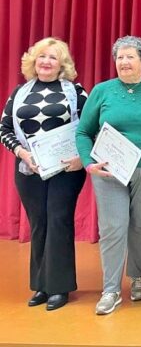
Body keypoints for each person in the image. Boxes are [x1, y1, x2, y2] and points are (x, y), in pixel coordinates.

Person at [76, 36, 141, 315]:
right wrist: (87, 163)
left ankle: (138, 277)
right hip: (108, 170)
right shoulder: (102, 91)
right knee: (113, 227)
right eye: (119, 57)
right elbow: (83, 132)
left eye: (130, 57)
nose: (124, 62)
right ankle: (111, 290)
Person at [0, 37, 87, 311]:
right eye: (41, 57)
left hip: (66, 169)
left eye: (52, 57)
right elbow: (4, 129)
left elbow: (89, 128)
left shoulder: (75, 91)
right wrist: (23, 155)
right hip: (29, 170)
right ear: (33, 61)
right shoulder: (19, 93)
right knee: (39, 223)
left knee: (58, 220)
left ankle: (59, 287)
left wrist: (80, 159)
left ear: (62, 64)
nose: (46, 62)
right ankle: (41, 285)